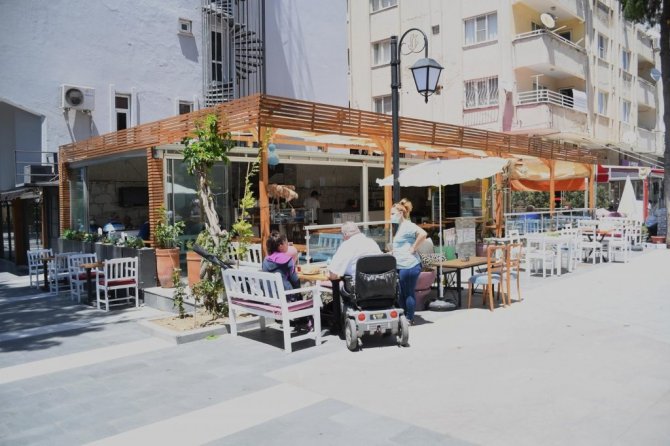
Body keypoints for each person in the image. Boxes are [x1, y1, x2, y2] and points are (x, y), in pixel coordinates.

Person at [390, 199, 427, 325]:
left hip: (409, 265)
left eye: (393, 214)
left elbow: (423, 234)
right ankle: (404, 317)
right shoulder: (400, 227)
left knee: (408, 293)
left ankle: (409, 318)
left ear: (400, 213)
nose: (391, 216)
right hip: (402, 265)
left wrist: (413, 248)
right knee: (401, 293)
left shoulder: (407, 225)